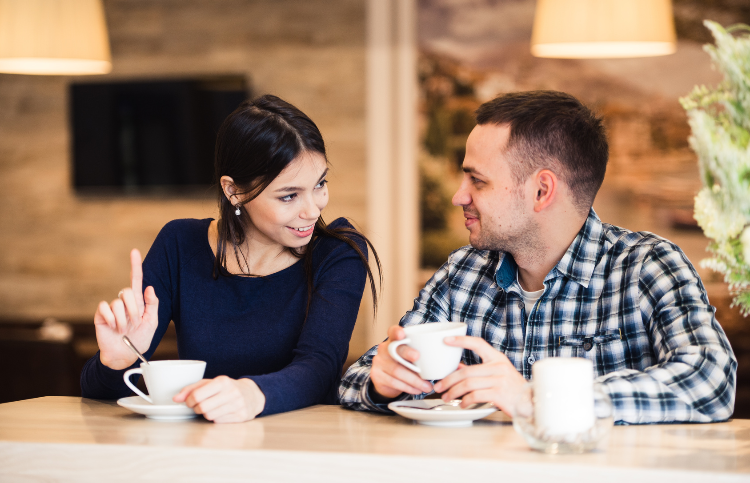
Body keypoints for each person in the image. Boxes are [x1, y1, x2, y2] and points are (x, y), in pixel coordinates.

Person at [339, 90, 737, 424]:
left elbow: (711, 380)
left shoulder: (648, 266)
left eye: (477, 180)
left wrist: (541, 399)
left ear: (541, 191)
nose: (458, 196)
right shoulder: (462, 273)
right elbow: (357, 377)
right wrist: (382, 381)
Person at [81, 94, 380, 423]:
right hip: (205, 449)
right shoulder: (180, 244)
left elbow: (320, 368)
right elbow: (98, 395)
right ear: (234, 190)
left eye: (320, 183)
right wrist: (117, 361)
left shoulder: (338, 251)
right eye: (289, 195)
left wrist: (251, 394)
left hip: (302, 452)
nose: (313, 209)